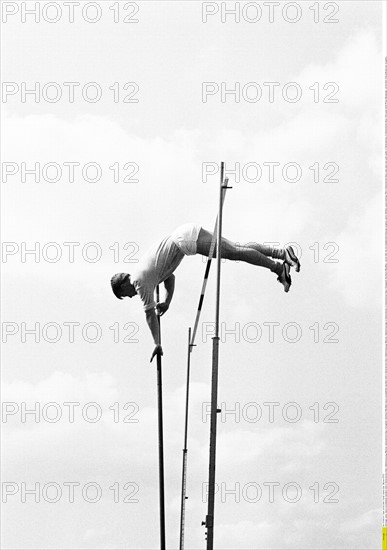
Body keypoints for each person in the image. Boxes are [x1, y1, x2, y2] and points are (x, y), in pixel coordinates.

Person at [111, 223, 300, 362]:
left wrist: (157, 343)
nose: (129, 296)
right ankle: (283, 254)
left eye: (124, 294)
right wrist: (168, 303)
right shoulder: (144, 275)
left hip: (185, 240)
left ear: (123, 285)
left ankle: (278, 268)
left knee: (236, 252)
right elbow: (170, 278)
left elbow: (150, 315)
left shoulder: (139, 282)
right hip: (183, 235)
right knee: (237, 248)